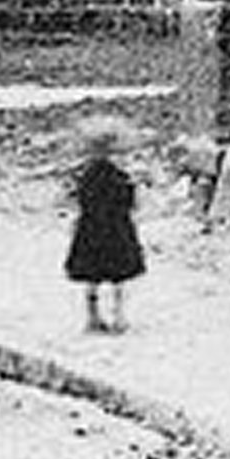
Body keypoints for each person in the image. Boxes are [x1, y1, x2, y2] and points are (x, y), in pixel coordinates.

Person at [63, 114, 145, 333]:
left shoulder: (85, 176)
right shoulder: (121, 177)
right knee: (119, 278)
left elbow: (78, 200)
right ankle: (118, 317)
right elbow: (130, 203)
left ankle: (92, 317)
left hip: (90, 231)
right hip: (116, 231)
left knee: (91, 278)